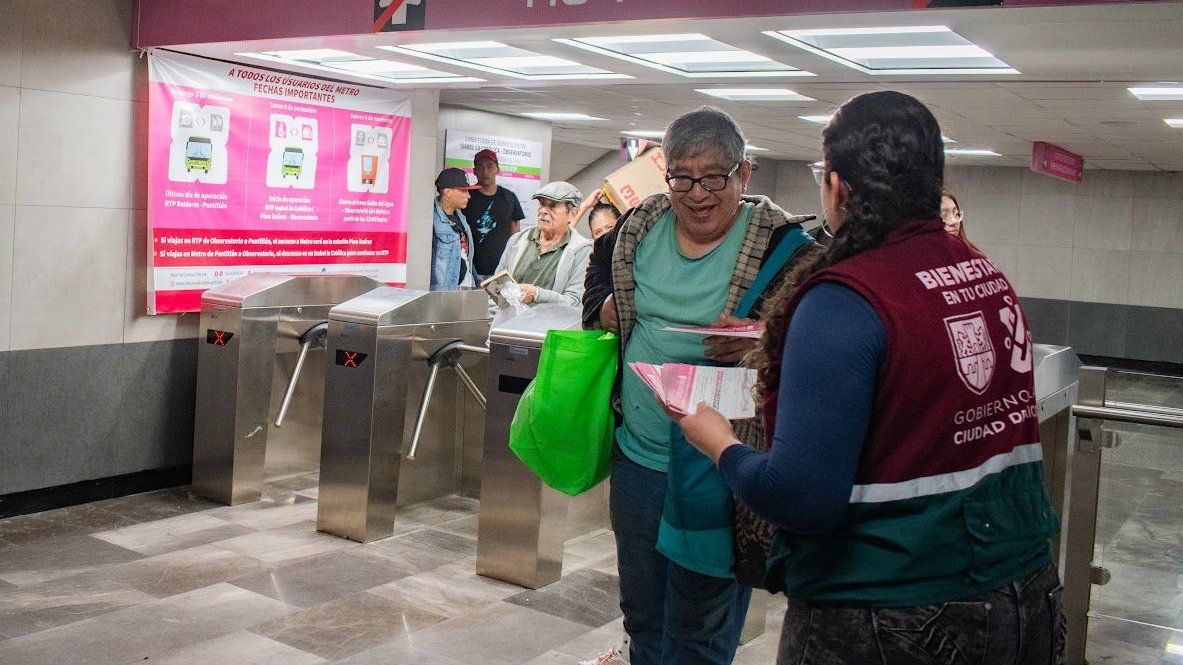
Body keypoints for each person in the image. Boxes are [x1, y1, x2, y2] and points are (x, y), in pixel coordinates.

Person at [671, 91, 1064, 664]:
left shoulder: (844, 299)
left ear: (837, 186)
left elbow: (802, 497)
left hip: (889, 613)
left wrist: (718, 442)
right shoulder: (982, 275)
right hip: (1020, 592)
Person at [581, 106, 818, 665]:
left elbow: (812, 349)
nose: (697, 194)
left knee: (700, 629)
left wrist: (763, 344)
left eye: (713, 178)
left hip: (720, 467)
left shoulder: (787, 251)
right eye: (681, 178)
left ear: (744, 174)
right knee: (642, 614)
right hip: (638, 458)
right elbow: (595, 282)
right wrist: (603, 309)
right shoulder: (634, 231)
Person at [493, 181, 592, 308]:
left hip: (550, 326)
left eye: (553, 206)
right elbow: (496, 288)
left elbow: (574, 302)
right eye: (541, 204)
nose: (543, 210)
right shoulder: (517, 240)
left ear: (572, 214)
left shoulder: (582, 250)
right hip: (508, 326)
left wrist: (537, 294)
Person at [464, 149, 526, 282]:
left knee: (500, 303)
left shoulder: (509, 198)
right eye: (480, 167)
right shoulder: (465, 197)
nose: (485, 172)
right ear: (474, 171)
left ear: (498, 169)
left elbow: (516, 236)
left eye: (490, 166)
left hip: (501, 272)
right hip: (470, 272)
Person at [431, 167, 479, 289]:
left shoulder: (462, 218)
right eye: (464, 191)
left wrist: (477, 286)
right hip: (444, 296)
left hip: (465, 293)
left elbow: (466, 258)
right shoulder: (431, 219)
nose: (469, 196)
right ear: (447, 192)